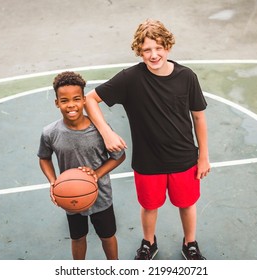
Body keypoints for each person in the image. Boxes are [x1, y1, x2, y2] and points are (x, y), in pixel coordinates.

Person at [85, 19, 210, 260]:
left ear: (168, 47)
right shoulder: (130, 78)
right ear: (139, 51)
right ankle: (149, 243)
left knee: (187, 204)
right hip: (147, 160)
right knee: (149, 206)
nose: (153, 55)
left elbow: (199, 118)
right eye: (147, 50)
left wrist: (203, 156)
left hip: (184, 158)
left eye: (158, 48)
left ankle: (190, 243)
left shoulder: (186, 77)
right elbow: (90, 99)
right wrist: (107, 132)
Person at [37, 71, 126, 260]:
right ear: (57, 103)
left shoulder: (100, 129)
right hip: (70, 196)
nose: (71, 105)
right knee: (77, 237)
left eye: (76, 99)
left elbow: (119, 156)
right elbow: (44, 157)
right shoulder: (50, 133)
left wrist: (96, 173)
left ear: (84, 100)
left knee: (107, 236)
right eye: (64, 100)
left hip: (101, 195)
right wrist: (53, 182)